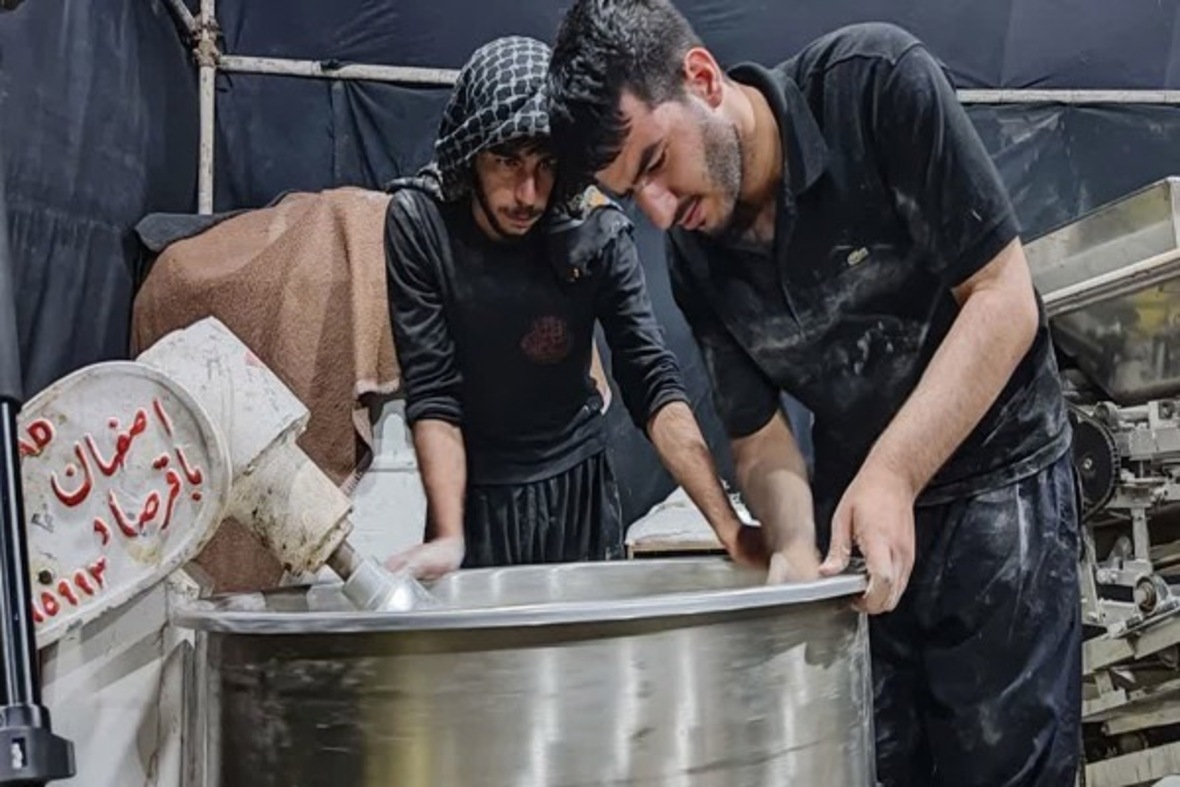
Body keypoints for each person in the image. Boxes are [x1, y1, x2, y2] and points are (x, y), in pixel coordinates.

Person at [548, 5, 1080, 785]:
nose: (658, 211)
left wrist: (896, 471)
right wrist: (795, 545)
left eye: (656, 162)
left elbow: (1003, 298)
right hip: (855, 521)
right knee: (872, 764)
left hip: (1001, 495)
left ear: (702, 78)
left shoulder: (875, 87)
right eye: (633, 194)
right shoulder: (697, 254)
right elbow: (759, 435)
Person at [383, 36, 775, 580]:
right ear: (471, 155)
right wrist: (449, 536)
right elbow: (433, 390)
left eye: (547, 164)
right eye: (507, 162)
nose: (529, 193)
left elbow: (652, 380)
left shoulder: (597, 232)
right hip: (474, 496)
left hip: (578, 492)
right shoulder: (420, 225)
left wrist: (729, 528)